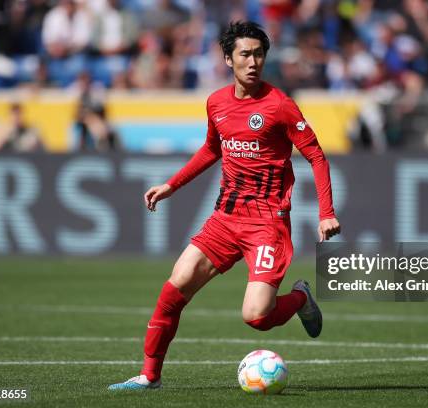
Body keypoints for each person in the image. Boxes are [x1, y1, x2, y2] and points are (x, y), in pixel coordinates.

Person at [108, 21, 340, 390]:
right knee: (174, 289)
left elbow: (317, 156)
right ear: (228, 59)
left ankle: (300, 298)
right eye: (245, 54)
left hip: (267, 223)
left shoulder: (280, 105)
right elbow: (212, 150)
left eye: (259, 54)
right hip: (225, 219)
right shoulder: (216, 102)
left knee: (256, 317)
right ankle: (149, 376)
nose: (253, 61)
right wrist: (172, 185)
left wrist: (326, 213)